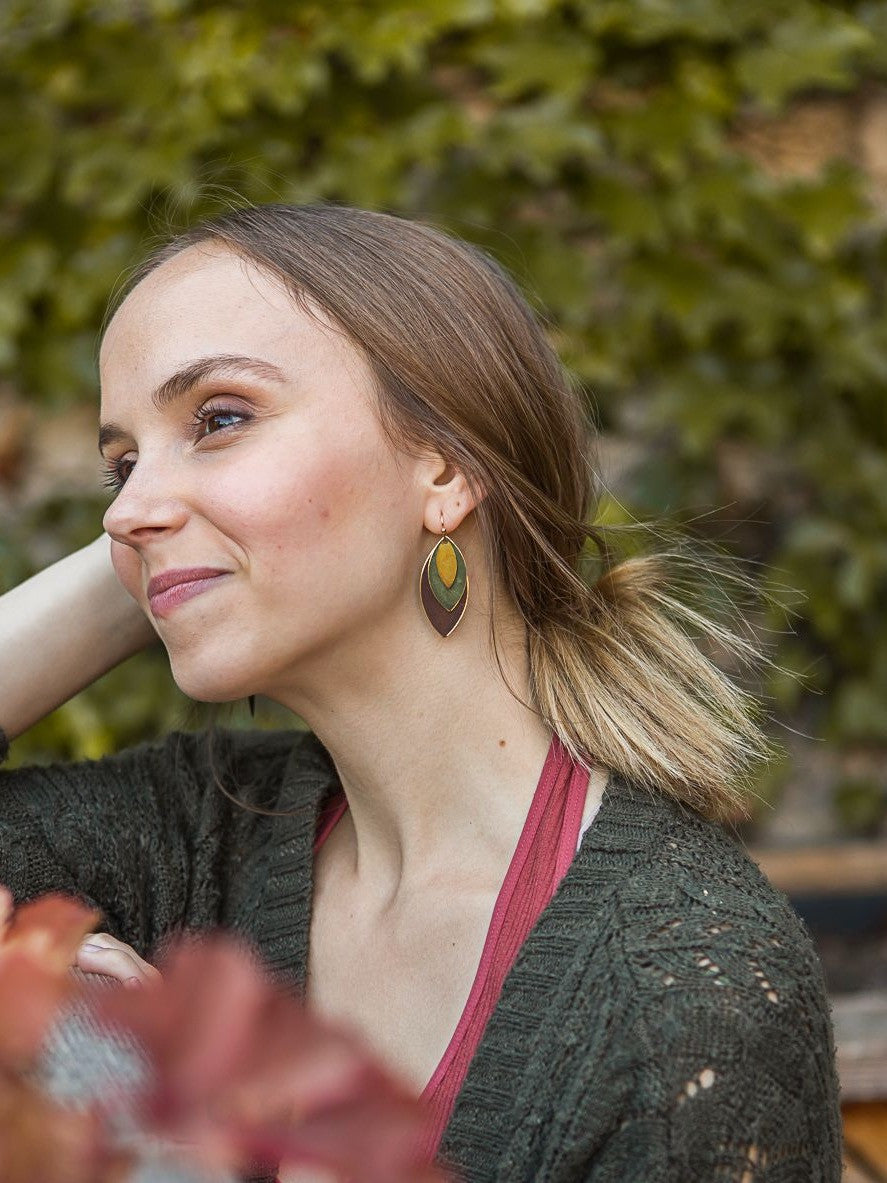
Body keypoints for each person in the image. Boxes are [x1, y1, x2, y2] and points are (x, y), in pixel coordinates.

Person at [0, 204, 841, 1182]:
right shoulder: (193, 833)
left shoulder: (681, 995)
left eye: (220, 418)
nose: (129, 506)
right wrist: (154, 556)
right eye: (121, 463)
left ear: (445, 464)